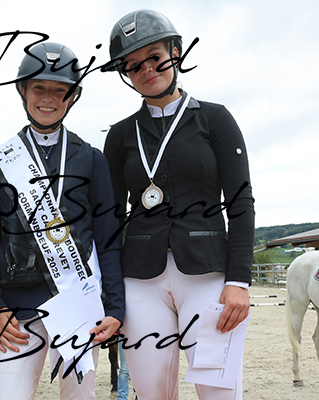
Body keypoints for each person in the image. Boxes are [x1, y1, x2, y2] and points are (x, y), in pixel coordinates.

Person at [104, 9, 255, 400]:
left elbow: (240, 202)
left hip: (207, 274)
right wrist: (111, 291)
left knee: (218, 390)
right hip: (141, 278)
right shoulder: (120, 135)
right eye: (134, 65)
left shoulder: (216, 119)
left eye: (154, 57)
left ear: (174, 53)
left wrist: (238, 280)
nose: (146, 69)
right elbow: (111, 217)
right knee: (152, 392)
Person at [0, 42, 125, 400]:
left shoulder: (92, 159)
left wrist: (116, 307)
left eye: (60, 90)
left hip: (79, 304)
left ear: (72, 97)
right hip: (18, 310)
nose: (48, 98)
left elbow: (107, 239)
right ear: (22, 90)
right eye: (39, 87)